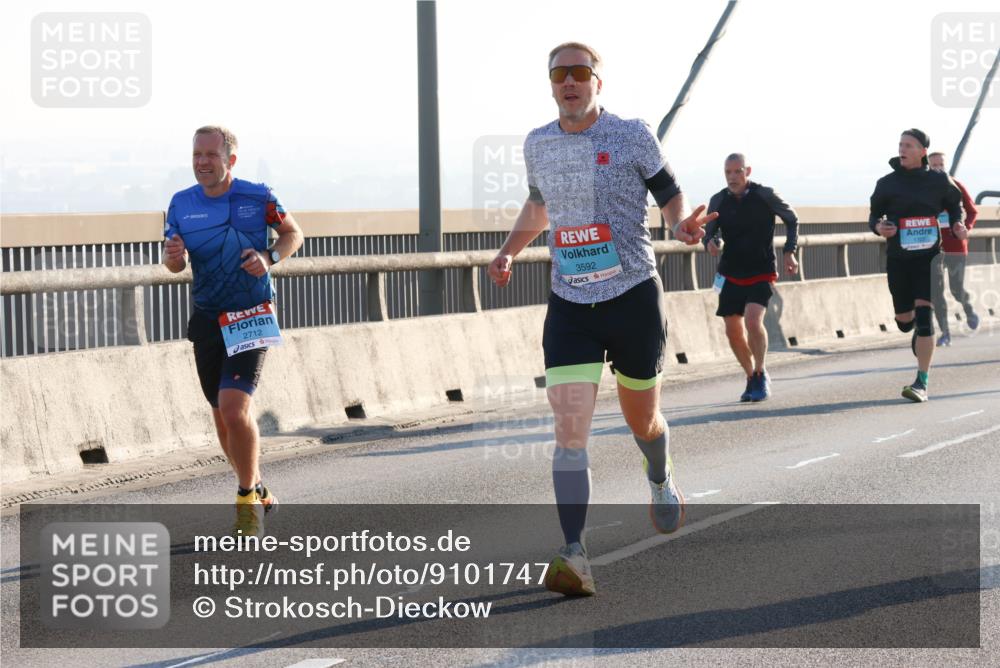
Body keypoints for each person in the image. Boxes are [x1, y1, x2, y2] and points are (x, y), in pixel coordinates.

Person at [487, 42, 716, 596]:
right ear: (550, 84)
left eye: (580, 72)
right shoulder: (539, 143)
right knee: (569, 435)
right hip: (571, 304)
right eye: (560, 74)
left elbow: (669, 194)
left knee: (643, 422)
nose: (570, 82)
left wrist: (682, 224)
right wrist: (511, 250)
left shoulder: (632, 133)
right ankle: (574, 552)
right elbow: (539, 206)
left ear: (597, 82)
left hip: (633, 296)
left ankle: (659, 476)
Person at [163, 125, 304, 535]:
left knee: (233, 407)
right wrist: (174, 256)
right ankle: (257, 485)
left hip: (251, 311)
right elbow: (174, 264)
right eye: (196, 155)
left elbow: (294, 233)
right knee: (221, 417)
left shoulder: (258, 196)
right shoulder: (180, 204)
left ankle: (245, 501)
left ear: (231, 160)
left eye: (211, 155)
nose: (202, 162)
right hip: (207, 317)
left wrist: (269, 256)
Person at [869, 129, 966, 402]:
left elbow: (955, 204)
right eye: (900, 144)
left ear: (922, 151)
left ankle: (921, 382)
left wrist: (957, 222)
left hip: (930, 258)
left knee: (925, 319)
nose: (903, 149)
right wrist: (879, 226)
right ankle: (915, 331)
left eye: (909, 145)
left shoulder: (938, 180)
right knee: (904, 321)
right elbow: (874, 215)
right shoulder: (887, 183)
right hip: (899, 259)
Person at [703, 154, 799, 402]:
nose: (733, 177)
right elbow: (710, 235)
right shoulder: (719, 200)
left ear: (748, 171)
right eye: (728, 173)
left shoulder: (765, 195)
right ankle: (751, 376)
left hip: (761, 269)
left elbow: (791, 218)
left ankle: (760, 369)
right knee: (732, 331)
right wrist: (710, 244)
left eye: (738, 172)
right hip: (730, 272)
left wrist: (789, 251)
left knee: (753, 321)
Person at [928, 151, 980, 346]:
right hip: (933, 249)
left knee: (956, 289)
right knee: (937, 292)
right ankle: (945, 333)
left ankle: (968, 308)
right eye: (934, 166)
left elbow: (973, 210)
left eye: (941, 164)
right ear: (928, 166)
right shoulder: (924, 188)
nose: (938, 168)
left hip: (956, 246)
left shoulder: (955, 185)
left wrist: (967, 227)